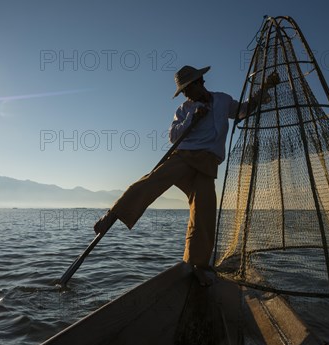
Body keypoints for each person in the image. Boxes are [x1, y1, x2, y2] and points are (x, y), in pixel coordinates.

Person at [94, 65, 280, 285]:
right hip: (185, 156)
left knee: (204, 211)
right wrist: (192, 118)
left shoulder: (222, 100)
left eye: (186, 89)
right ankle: (113, 214)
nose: (185, 94)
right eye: (183, 91)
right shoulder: (185, 108)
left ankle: (197, 264)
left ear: (199, 83)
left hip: (208, 163)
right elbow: (173, 135)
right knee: (153, 180)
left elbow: (243, 110)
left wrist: (265, 87)